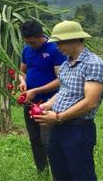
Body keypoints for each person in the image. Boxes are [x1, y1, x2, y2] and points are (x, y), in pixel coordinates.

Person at [34, 20, 103, 181]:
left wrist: (59, 116)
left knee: (81, 174)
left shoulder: (93, 64)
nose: (57, 46)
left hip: (78, 129)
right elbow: (64, 91)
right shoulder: (66, 64)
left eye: (60, 42)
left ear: (74, 40)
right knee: (60, 173)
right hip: (59, 127)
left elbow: (91, 102)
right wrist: (48, 104)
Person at [18, 20, 67, 173]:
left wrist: (37, 90)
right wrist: (22, 82)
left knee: (49, 139)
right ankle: (42, 170)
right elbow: (22, 71)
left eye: (33, 42)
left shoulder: (55, 49)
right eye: (28, 42)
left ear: (40, 36)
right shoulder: (26, 50)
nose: (31, 45)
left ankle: (57, 170)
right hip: (30, 100)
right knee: (34, 137)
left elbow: (61, 80)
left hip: (49, 101)